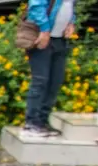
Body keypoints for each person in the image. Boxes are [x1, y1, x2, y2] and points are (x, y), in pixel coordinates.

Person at [20, 0, 79, 139]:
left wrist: (71, 21)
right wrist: (44, 29)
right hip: (42, 35)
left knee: (55, 81)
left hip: (60, 39)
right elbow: (36, 6)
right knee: (40, 81)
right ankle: (31, 122)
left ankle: (42, 121)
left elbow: (69, 6)